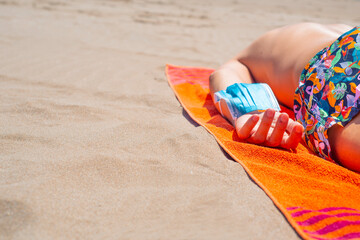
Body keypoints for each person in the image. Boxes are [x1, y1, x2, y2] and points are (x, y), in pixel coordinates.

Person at [209, 22, 360, 172]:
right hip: (333, 66)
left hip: (330, 69)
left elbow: (227, 72)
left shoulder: (275, 43)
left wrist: (246, 109)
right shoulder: (285, 41)